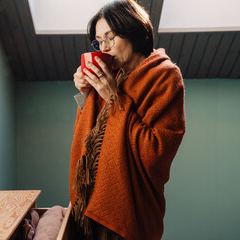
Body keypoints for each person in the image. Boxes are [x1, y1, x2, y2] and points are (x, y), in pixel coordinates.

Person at [69, 0, 186, 239]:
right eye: (99, 41)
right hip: (92, 210)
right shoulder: (114, 76)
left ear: (133, 30)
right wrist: (85, 93)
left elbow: (155, 153)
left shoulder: (165, 77)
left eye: (110, 37)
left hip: (132, 211)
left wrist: (115, 99)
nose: (104, 47)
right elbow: (90, 134)